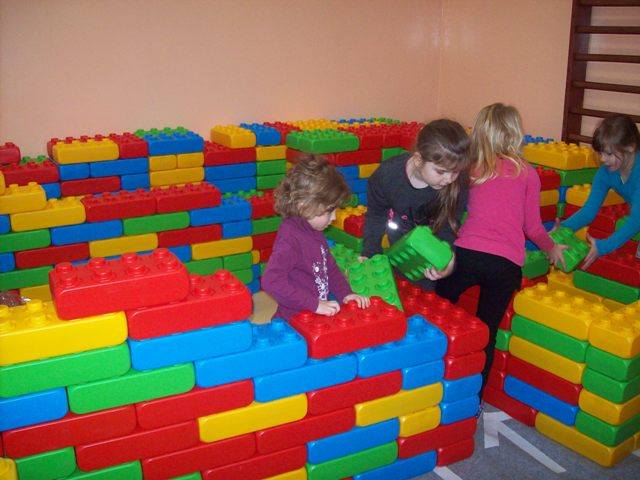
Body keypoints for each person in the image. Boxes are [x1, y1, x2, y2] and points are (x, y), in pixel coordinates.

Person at [435, 103, 567, 390]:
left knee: (438, 306)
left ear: (480, 133)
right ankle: (476, 398)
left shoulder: (472, 169)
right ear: (516, 134)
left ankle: (438, 369)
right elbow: (532, 227)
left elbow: (454, 211)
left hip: (468, 255)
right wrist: (551, 247)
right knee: (488, 330)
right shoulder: (528, 173)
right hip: (505, 266)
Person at [362, 119, 472, 289]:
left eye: (455, 172)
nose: (449, 179)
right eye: (441, 171)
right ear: (419, 159)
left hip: (429, 255)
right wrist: (370, 253)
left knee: (424, 294)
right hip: (399, 250)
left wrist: (448, 258)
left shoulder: (458, 182)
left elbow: (450, 225)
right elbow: (376, 216)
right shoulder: (387, 176)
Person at [262, 154, 370, 320]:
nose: (334, 217)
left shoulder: (314, 229)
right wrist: (315, 304)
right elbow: (271, 281)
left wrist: (346, 294)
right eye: (329, 211)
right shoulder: (290, 239)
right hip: (295, 320)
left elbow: (329, 268)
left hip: (315, 317)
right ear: (304, 206)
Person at [562, 114, 640, 268]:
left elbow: (636, 221)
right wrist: (564, 228)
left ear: (631, 147)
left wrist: (603, 247)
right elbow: (588, 211)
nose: (603, 159)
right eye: (600, 153)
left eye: (609, 153)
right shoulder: (606, 172)